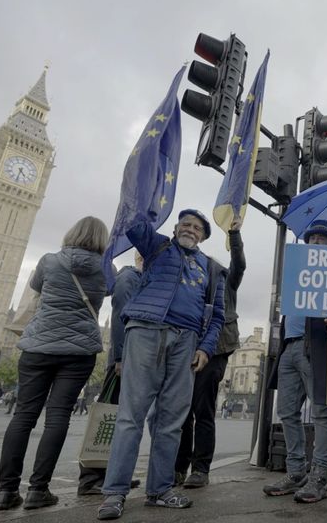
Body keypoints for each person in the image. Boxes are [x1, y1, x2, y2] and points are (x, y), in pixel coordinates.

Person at [98, 209, 226, 520]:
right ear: (176, 227)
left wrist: (206, 349)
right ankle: (114, 492)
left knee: (171, 421)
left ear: (204, 236)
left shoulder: (210, 269)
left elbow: (218, 317)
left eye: (197, 227)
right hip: (146, 329)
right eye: (186, 224)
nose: (190, 229)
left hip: (187, 341)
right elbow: (134, 224)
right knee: (131, 416)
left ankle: (159, 490)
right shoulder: (157, 247)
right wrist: (150, 200)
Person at [0, 216, 109, 511]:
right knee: (58, 418)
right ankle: (38, 490)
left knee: (23, 416)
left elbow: (36, 286)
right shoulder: (106, 267)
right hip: (79, 351)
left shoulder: (49, 260)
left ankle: (6, 491)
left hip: (38, 346)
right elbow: (110, 290)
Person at [263, 220, 327, 504]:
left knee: (322, 414)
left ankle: (320, 476)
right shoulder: (296, 272)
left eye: (322, 239)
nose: (315, 242)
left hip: (317, 348)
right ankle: (296, 472)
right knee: (287, 412)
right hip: (289, 347)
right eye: (311, 238)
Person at [175, 215, 246, 489]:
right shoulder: (191, 274)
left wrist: (235, 236)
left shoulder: (226, 278)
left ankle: (200, 469)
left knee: (202, 409)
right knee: (181, 412)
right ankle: (178, 467)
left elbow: (239, 264)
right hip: (188, 346)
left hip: (217, 349)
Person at [77, 250, 144, 497]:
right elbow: (119, 319)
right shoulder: (129, 278)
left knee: (120, 420)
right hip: (121, 361)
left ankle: (112, 474)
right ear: (140, 257)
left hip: (132, 360)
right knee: (107, 417)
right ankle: (90, 479)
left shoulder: (142, 280)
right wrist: (119, 357)